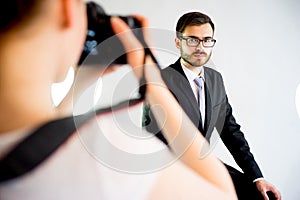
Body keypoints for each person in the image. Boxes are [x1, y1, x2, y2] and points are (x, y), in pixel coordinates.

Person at [0, 1, 238, 199]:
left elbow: (42, 140)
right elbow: (223, 195)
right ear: (67, 7)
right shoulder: (105, 153)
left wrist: (81, 84)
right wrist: (152, 83)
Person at [144, 11, 281, 200]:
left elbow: (231, 131)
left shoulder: (215, 79)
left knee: (262, 196)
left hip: (205, 167)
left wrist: (257, 177)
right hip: (171, 173)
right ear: (178, 42)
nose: (200, 47)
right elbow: (150, 139)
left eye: (207, 40)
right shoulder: (159, 80)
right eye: (192, 40)